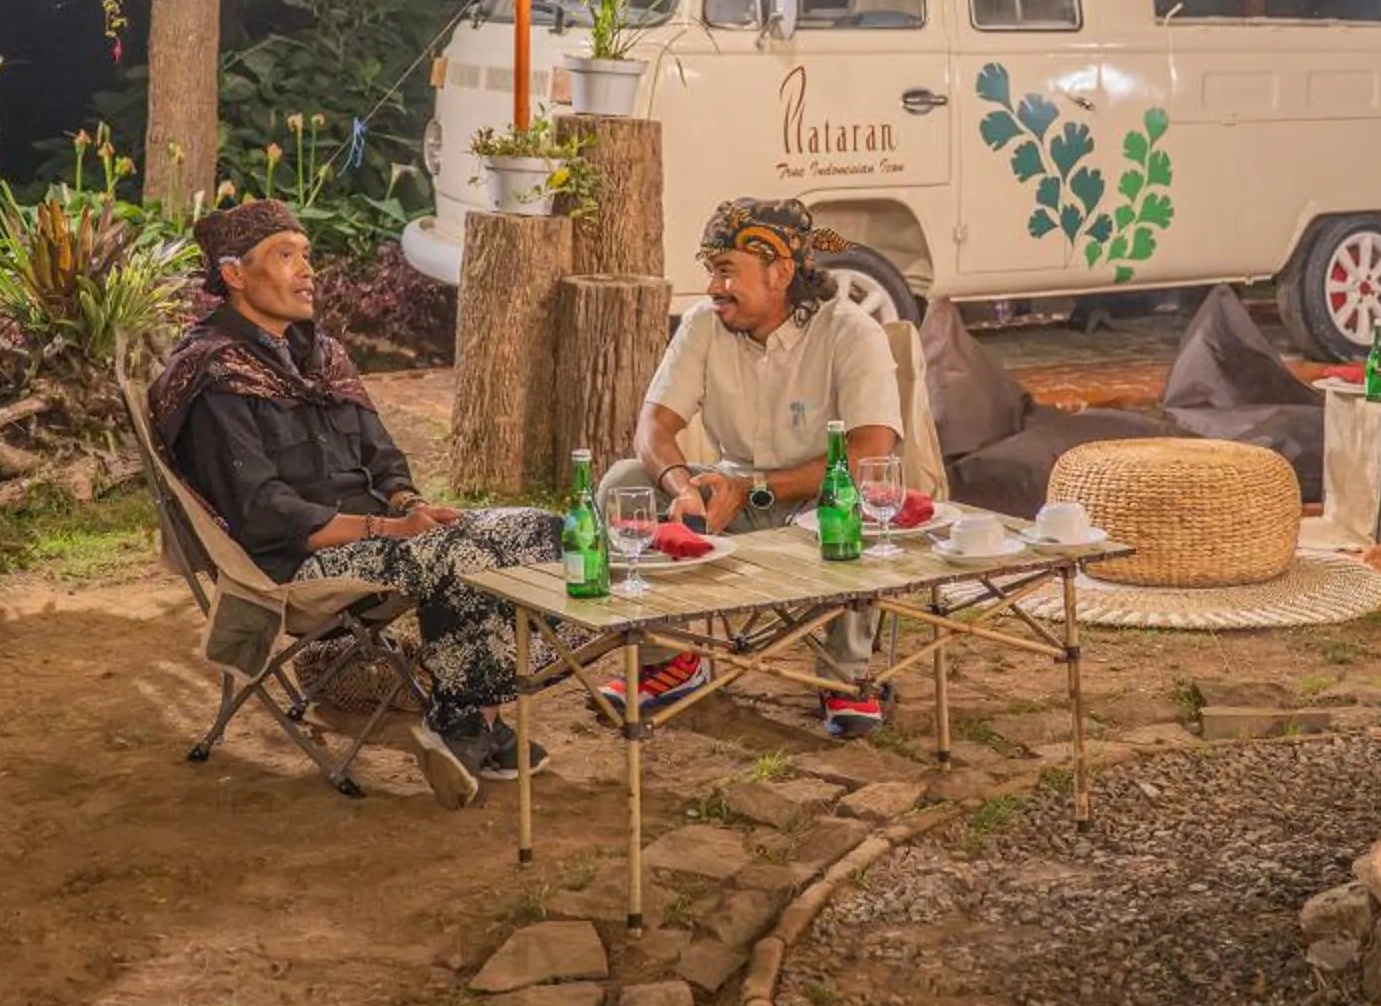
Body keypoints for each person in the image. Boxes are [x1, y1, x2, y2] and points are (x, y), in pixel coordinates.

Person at [149, 198, 556, 808]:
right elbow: (263, 512)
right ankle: (465, 722)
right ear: (234, 275)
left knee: (546, 532)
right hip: (295, 558)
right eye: (285, 257)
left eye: (306, 255)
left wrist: (408, 502)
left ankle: (469, 714)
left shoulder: (319, 356)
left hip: (382, 533)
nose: (306, 270)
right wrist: (387, 528)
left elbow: (382, 453)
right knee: (454, 554)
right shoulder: (216, 375)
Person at [600, 198, 903, 737]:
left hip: (816, 502)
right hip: (728, 498)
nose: (714, 288)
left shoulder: (852, 332)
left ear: (780, 272)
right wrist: (683, 488)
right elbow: (653, 426)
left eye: (726, 272)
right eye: (710, 271)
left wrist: (755, 487)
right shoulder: (703, 324)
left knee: (850, 500)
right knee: (624, 482)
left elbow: (869, 455)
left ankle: (845, 678)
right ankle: (672, 661)